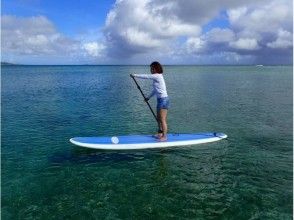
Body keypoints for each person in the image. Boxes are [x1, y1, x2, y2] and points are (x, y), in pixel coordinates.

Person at [131, 61, 169, 141]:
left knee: (162, 119)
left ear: (156, 68)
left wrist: (135, 75)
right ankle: (160, 133)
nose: (151, 70)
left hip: (164, 100)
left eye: (152, 68)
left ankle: (164, 136)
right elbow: (155, 90)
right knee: (158, 118)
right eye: (151, 68)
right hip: (160, 100)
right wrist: (148, 97)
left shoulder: (158, 76)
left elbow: (146, 76)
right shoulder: (156, 78)